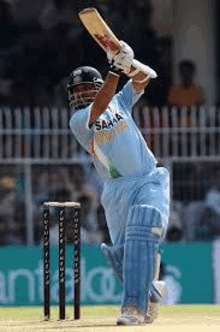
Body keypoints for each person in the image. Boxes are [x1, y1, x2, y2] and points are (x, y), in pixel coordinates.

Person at [68, 41, 170, 326]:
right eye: (76, 90)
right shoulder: (78, 120)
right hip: (116, 191)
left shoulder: (119, 100)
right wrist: (115, 68)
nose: (81, 93)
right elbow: (99, 106)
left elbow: (146, 78)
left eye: (86, 87)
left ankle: (133, 308)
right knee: (124, 257)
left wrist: (128, 65)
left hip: (148, 178)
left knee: (142, 226)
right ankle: (152, 290)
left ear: (99, 85)